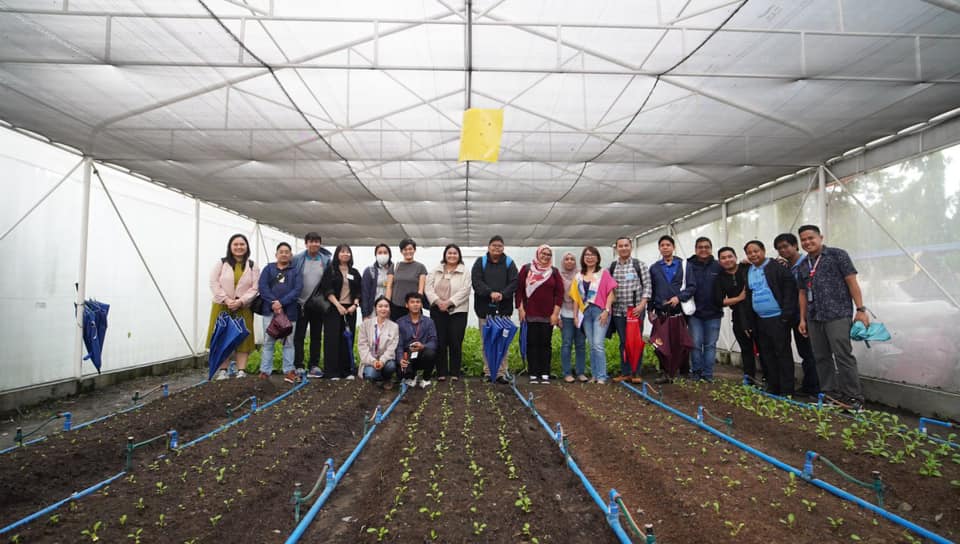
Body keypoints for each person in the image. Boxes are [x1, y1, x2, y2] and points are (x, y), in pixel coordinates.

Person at [796, 225, 869, 410]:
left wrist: (860, 309)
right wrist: (802, 319)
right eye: (803, 240)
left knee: (843, 355)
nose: (807, 242)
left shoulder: (837, 255)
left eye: (811, 238)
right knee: (821, 357)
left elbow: (852, 282)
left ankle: (853, 397)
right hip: (814, 316)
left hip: (837, 314)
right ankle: (830, 395)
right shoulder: (804, 264)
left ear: (820, 237)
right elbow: (802, 293)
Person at [744, 240, 798, 396]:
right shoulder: (748, 270)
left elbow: (789, 292)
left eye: (756, 251)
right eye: (749, 253)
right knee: (766, 354)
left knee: (783, 354)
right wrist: (749, 322)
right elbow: (748, 297)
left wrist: (785, 316)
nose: (753, 255)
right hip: (760, 320)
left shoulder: (777, 267)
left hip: (778, 319)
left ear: (763, 251)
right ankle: (774, 387)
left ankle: (787, 390)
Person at [773, 232, 820, 397]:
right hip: (792, 313)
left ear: (795, 246)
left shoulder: (807, 263)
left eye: (786, 246)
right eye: (779, 248)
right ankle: (809, 385)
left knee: (809, 351)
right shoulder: (786, 266)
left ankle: (815, 388)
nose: (783, 250)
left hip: (806, 314)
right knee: (803, 351)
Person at [207, 233, 259, 380]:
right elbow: (214, 283)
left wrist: (241, 301)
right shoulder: (222, 263)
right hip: (222, 306)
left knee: (242, 337)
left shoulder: (252, 265)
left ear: (247, 247)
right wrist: (226, 299)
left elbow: (255, 288)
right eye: (235, 244)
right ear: (230, 247)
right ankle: (223, 370)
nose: (239, 247)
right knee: (222, 336)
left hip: (243, 307)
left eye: (242, 244)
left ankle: (241, 370)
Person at [471, 235, 519, 383]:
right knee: (487, 341)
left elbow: (514, 282)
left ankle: (501, 372)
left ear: (503, 248)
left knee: (502, 341)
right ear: (489, 247)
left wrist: (502, 294)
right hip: (484, 310)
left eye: (500, 246)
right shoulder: (481, 262)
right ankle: (488, 371)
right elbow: (476, 281)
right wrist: (490, 293)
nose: (497, 248)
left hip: (503, 310)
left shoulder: (509, 263)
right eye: (494, 245)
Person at [648, 235, 695, 383]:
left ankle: (684, 372)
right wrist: (650, 309)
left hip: (679, 311)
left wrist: (678, 298)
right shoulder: (654, 268)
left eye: (668, 245)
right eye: (662, 245)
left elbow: (692, 287)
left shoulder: (684, 265)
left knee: (681, 342)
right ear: (659, 248)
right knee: (661, 343)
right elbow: (651, 290)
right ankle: (664, 372)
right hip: (661, 312)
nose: (665, 247)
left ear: (673, 247)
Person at [516, 245, 563, 384]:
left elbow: (559, 294)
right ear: (538, 254)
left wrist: (555, 314)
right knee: (532, 343)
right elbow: (519, 291)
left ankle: (545, 373)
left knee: (545, 344)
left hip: (548, 315)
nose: (546, 256)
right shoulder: (526, 269)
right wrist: (520, 309)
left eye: (549, 254)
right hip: (530, 313)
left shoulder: (554, 272)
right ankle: (533, 373)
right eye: (543, 253)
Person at [425, 244, 472, 382]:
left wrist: (449, 302)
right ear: (445, 255)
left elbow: (466, 290)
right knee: (440, 341)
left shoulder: (465, 272)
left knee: (455, 341)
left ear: (459, 255)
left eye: (455, 253)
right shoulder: (435, 270)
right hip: (438, 310)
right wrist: (438, 302)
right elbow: (428, 289)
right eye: (449, 253)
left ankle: (455, 372)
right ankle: (441, 371)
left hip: (458, 311)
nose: (452, 255)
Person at [570, 246, 617, 384]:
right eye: (587, 255)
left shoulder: (603, 273)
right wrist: (575, 316)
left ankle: (602, 376)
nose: (589, 257)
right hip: (585, 313)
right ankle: (595, 375)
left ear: (597, 258)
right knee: (591, 345)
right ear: (583, 258)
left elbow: (611, 293)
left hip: (600, 311)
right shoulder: (578, 276)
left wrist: (606, 310)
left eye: (592, 255)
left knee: (598, 344)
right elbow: (576, 298)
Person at [257, 242, 303, 383]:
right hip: (270, 312)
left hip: (289, 312)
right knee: (268, 341)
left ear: (291, 255)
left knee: (288, 342)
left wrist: (281, 303)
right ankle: (265, 371)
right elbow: (262, 287)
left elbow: (297, 290)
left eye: (287, 252)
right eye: (281, 252)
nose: (284, 254)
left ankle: (289, 371)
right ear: (276, 254)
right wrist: (274, 303)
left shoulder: (295, 271)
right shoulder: (268, 269)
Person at [714, 247, 761, 382]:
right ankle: (749, 378)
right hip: (739, 316)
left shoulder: (747, 268)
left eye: (730, 256)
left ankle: (769, 379)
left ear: (735, 257)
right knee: (746, 349)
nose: (727, 260)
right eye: (723, 258)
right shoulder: (720, 278)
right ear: (719, 261)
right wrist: (739, 298)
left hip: (757, 314)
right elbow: (719, 301)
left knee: (764, 347)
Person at [609, 237, 651, 384]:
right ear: (616, 248)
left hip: (635, 310)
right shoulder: (612, 267)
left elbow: (647, 286)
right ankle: (625, 372)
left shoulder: (639, 265)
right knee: (623, 342)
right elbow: (608, 288)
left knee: (636, 341)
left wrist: (642, 305)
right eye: (620, 246)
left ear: (631, 247)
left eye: (626, 245)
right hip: (619, 312)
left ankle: (636, 372)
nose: (623, 248)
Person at [318, 245, 361, 380]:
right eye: (342, 252)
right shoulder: (331, 270)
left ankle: (347, 371)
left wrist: (355, 304)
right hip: (333, 308)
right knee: (332, 339)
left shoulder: (354, 272)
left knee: (347, 339)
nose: (345, 254)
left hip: (350, 310)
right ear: (337, 254)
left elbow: (359, 290)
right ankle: (332, 372)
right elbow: (327, 289)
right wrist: (338, 305)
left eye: (348, 252)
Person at [292, 232, 332, 379]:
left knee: (316, 335)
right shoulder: (297, 259)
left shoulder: (325, 260)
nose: (314, 244)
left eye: (317, 241)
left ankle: (314, 365)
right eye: (311, 241)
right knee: (299, 335)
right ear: (306, 243)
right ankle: (298, 365)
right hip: (300, 303)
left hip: (316, 303)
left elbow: (328, 281)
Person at [686, 237, 722, 382]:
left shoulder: (718, 266)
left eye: (706, 247)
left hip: (714, 313)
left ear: (711, 249)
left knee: (710, 345)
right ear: (695, 249)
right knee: (695, 344)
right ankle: (696, 373)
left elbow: (733, 269)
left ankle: (708, 374)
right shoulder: (688, 265)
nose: (703, 250)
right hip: (694, 313)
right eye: (700, 247)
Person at [396, 293, 438, 389]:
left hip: (423, 353)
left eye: (418, 302)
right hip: (408, 355)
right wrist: (400, 359)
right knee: (401, 373)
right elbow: (399, 345)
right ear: (407, 305)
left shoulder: (429, 322)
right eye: (412, 302)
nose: (415, 304)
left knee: (431, 353)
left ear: (421, 305)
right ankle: (411, 376)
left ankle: (426, 378)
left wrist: (423, 346)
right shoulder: (400, 322)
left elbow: (434, 341)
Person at [357, 296, 400, 390]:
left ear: (389, 309)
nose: (383, 309)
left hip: (386, 361)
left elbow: (391, 348)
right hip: (369, 360)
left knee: (391, 366)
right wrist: (373, 361)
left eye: (386, 306)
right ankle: (379, 378)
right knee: (371, 374)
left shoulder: (394, 326)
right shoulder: (365, 325)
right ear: (375, 308)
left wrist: (382, 361)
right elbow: (362, 347)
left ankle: (386, 378)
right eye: (380, 306)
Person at [558, 252, 587, 383]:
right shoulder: (558, 275)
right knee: (567, 343)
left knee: (581, 344)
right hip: (565, 314)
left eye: (572, 259)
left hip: (580, 314)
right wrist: (558, 315)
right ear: (563, 262)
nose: (569, 261)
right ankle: (567, 372)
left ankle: (580, 372)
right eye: (567, 259)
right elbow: (556, 296)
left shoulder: (581, 275)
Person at [390, 239, 427, 321]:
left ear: (414, 250)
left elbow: (421, 289)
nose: (408, 251)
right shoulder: (395, 266)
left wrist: (418, 303)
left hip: (414, 307)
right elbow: (389, 287)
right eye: (405, 249)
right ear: (401, 251)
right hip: (396, 306)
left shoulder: (421, 267)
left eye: (410, 249)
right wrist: (387, 303)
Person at [361, 244, 395, 319]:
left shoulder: (394, 270)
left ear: (389, 255)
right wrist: (365, 314)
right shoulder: (370, 270)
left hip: (390, 309)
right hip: (373, 309)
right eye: (380, 252)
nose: (382, 255)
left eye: (385, 252)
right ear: (375, 255)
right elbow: (365, 293)